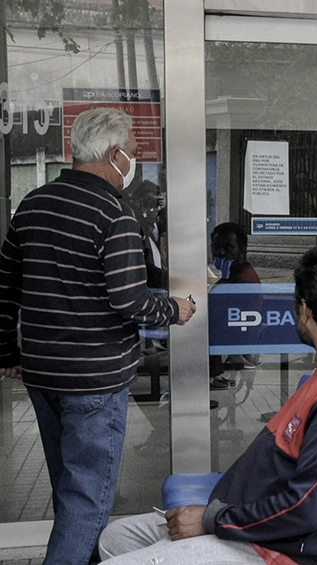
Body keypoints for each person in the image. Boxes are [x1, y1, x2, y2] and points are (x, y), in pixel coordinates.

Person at [98, 244, 317, 565]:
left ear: (304, 311)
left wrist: (210, 520)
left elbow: (304, 510)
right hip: (244, 520)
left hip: (276, 549)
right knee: (116, 538)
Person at [0, 107, 196, 565]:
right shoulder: (114, 213)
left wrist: (7, 350)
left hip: (43, 373)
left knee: (72, 491)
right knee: (88, 503)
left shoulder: (33, 203)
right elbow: (130, 301)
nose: (132, 161)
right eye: (130, 153)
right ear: (113, 154)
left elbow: (5, 288)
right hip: (94, 381)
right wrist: (176, 309)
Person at [209, 222, 261, 386]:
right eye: (216, 248)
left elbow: (218, 319)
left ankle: (213, 375)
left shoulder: (243, 279)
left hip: (233, 338)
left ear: (242, 250)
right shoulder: (232, 274)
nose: (221, 253)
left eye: (228, 248)